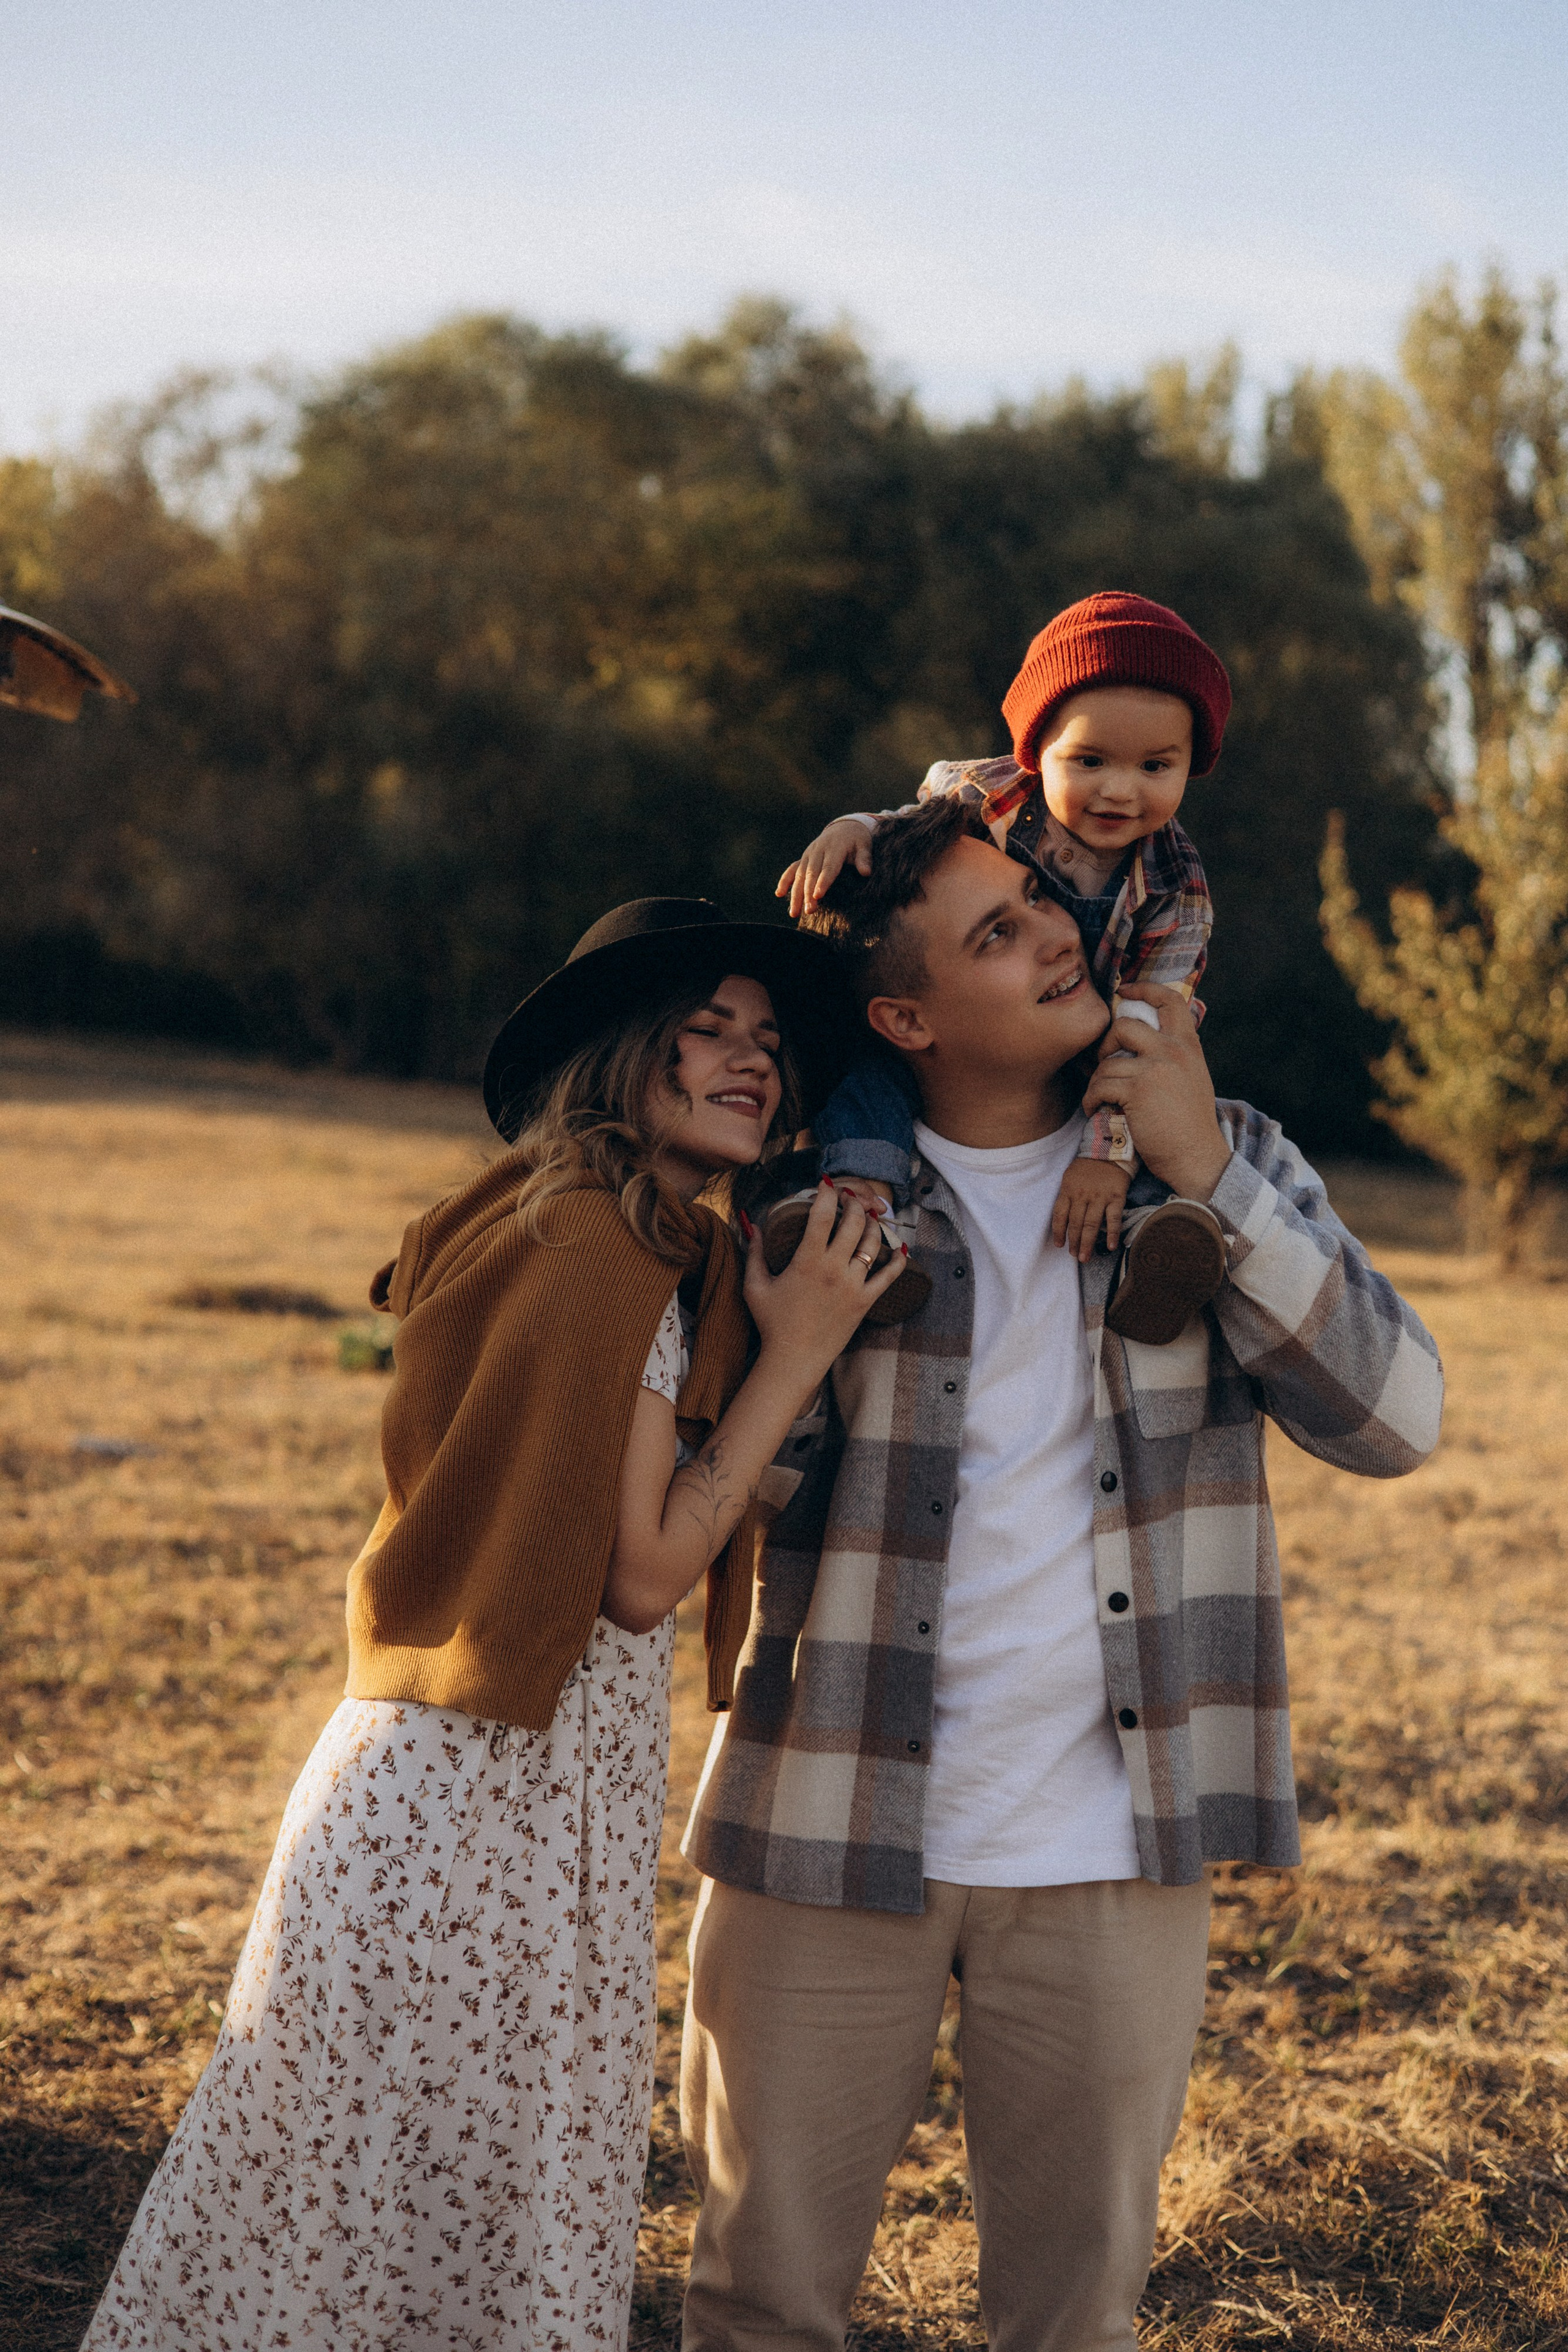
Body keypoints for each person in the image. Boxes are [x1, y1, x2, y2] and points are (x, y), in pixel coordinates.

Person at [82, 897, 904, 2352]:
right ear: (619, 1054)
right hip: (479, 1819)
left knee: (351, 2221)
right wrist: (805, 1349)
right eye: (704, 1028)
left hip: (469, 1792)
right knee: (420, 2231)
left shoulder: (573, 1230)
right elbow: (642, 1572)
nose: (749, 1060)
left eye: (768, 1041)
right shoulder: (599, 1256)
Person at [679, 802, 1444, 2352]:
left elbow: (1395, 1421)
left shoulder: (1225, 1163)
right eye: (996, 931)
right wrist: (800, 1342)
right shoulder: (818, 1206)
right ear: (904, 1017)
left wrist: (1203, 1167)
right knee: (759, 2293)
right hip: (820, 1824)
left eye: (1042, 904)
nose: (1054, 935)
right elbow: (716, 1504)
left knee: (1073, 2315)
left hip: (1110, 1843)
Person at [770, 590, 1229, 1343]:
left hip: (1098, 1037)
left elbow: (1148, 1021)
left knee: (1152, 1101)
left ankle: (1160, 1248)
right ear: (1034, 751)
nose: (1120, 789)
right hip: (975, 1021)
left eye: (1155, 765)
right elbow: (907, 831)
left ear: (1190, 767)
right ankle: (859, 1221)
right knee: (864, 1071)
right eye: (1089, 760)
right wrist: (853, 826)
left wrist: (1107, 1159)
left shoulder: (1177, 892)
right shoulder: (993, 797)